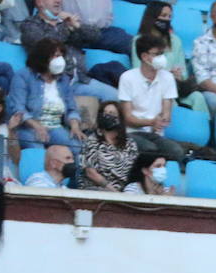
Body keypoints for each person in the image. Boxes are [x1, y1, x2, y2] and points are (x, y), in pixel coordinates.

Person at [17, 0, 121, 105]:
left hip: (80, 81)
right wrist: (66, 29)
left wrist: (77, 25)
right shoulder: (30, 25)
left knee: (115, 97)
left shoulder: (65, 23)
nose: (58, 1)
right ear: (40, 2)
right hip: (52, 84)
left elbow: (95, 36)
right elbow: (47, 46)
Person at [9, 38, 85, 154]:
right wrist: (36, 125)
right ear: (43, 58)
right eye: (55, 56)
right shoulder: (23, 76)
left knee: (77, 147)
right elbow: (18, 108)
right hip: (28, 127)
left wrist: (74, 125)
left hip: (55, 127)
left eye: (61, 56)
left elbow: (71, 108)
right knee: (38, 150)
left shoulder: (63, 79)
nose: (59, 60)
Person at [130, 2, 207, 116]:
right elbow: (138, 70)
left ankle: (205, 130)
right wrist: (165, 74)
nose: (167, 19)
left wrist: (178, 75)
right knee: (168, 100)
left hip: (176, 87)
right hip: (151, 88)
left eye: (169, 16)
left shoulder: (175, 40)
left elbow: (183, 73)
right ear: (152, 17)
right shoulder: (139, 41)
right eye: (163, 16)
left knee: (198, 98)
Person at [119, 34, 186, 162]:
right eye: (157, 54)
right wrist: (151, 122)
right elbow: (127, 118)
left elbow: (167, 109)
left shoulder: (167, 77)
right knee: (150, 150)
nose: (161, 57)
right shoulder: (127, 78)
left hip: (155, 134)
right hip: (131, 132)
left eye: (162, 53)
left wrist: (163, 119)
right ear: (144, 57)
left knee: (176, 151)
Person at [25, 0, 131, 56]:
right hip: (70, 32)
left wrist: (78, 25)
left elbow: (94, 34)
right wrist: (61, 19)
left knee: (135, 43)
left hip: (101, 31)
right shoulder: (31, 25)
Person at [80, 99, 137, 190]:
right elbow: (90, 172)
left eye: (112, 113)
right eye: (105, 113)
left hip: (123, 190)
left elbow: (134, 170)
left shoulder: (130, 143)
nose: (107, 116)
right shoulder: (92, 140)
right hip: (97, 188)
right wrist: (112, 190)